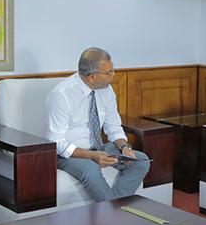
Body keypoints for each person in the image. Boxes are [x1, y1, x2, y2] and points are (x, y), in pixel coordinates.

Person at [45, 47, 150, 201]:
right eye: (109, 72)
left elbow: (113, 127)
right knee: (91, 169)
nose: (113, 75)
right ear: (92, 77)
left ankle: (115, 207)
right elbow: (56, 142)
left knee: (141, 161)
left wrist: (124, 147)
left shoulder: (106, 90)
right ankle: (113, 218)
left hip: (99, 148)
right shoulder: (62, 95)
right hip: (69, 154)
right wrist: (91, 156)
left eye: (113, 69)